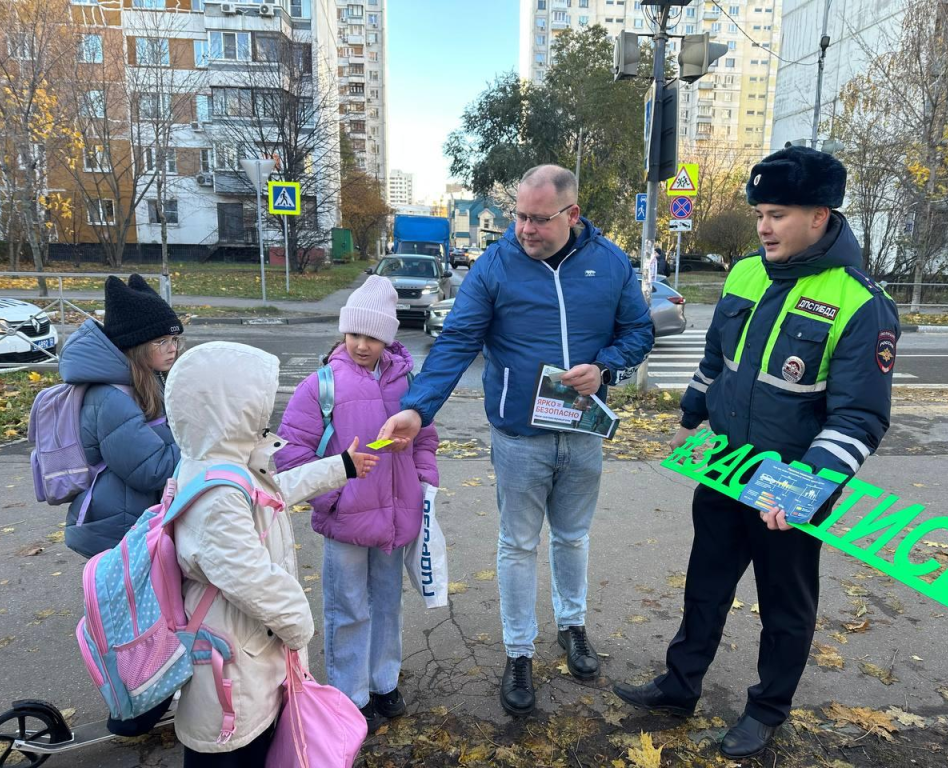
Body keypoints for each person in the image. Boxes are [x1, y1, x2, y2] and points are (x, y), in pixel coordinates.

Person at [612, 145, 900, 759]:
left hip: (790, 485)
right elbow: (718, 360)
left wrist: (808, 487)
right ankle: (678, 687)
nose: (764, 226)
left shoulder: (859, 302)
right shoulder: (745, 273)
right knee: (705, 588)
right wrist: (693, 414)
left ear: (820, 215)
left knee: (785, 606)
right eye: (760, 214)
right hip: (724, 466)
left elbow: (859, 416)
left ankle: (766, 711)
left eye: (778, 214)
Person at [377, 165, 655, 716]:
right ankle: (518, 651)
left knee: (572, 538)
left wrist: (605, 366)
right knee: (518, 544)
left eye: (538, 219)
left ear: (571, 215)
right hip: (518, 436)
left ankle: (572, 627)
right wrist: (417, 408)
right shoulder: (496, 265)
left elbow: (638, 331)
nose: (524, 229)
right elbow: (457, 340)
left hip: (582, 431)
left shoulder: (610, 261)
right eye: (519, 216)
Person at [166, 341, 378, 767]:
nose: (265, 415)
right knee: (235, 752)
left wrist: (341, 467)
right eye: (256, 404)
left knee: (258, 739)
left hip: (246, 650)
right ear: (231, 408)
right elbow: (252, 580)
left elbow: (274, 493)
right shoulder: (219, 495)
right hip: (231, 666)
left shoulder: (219, 464)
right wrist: (299, 626)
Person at [274, 276, 439, 734]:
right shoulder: (321, 385)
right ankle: (351, 694)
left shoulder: (408, 383)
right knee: (348, 608)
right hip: (346, 520)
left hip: (395, 517)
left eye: (372, 336)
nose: (362, 345)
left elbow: (425, 436)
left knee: (387, 603)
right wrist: (334, 493)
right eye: (354, 334)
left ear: (388, 337)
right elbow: (292, 452)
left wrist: (424, 480)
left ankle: (383, 681)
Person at [59, 274, 183, 735]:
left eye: (175, 338)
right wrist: (199, 445)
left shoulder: (141, 383)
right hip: (116, 525)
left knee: (148, 620)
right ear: (136, 345)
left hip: (130, 519)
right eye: (162, 340)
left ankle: (143, 704)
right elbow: (151, 467)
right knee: (138, 626)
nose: (173, 347)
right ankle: (137, 710)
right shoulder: (111, 397)